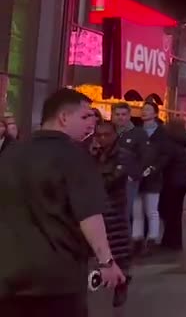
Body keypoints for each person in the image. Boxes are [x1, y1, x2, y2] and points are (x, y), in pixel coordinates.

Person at [0, 88, 127, 316]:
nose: (92, 124)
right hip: (57, 278)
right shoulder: (75, 157)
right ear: (63, 117)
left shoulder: (10, 153)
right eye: (85, 116)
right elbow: (89, 215)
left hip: (9, 276)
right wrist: (106, 261)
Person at [91, 120, 135, 307]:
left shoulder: (123, 155)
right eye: (99, 135)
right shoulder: (92, 154)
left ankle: (121, 282)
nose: (102, 139)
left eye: (106, 135)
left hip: (114, 208)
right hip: (95, 207)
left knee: (118, 248)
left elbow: (112, 179)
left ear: (115, 134)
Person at [125, 102, 170, 255]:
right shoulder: (137, 131)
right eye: (143, 110)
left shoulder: (162, 133)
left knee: (151, 210)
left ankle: (152, 239)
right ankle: (136, 238)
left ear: (156, 114)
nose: (144, 112)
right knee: (136, 210)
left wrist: (154, 168)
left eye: (148, 110)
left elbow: (165, 155)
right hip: (137, 176)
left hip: (153, 177)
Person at [158, 121, 186, 250]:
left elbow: (165, 163)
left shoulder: (170, 144)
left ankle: (170, 241)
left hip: (171, 182)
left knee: (169, 213)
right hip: (183, 182)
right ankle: (175, 241)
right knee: (176, 213)